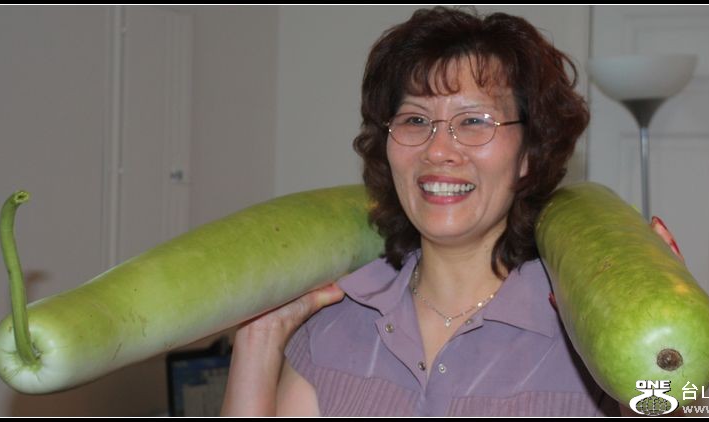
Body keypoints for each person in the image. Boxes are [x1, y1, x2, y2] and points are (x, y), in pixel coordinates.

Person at [221, 6, 684, 416]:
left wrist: (653, 338)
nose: (438, 149)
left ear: (529, 153)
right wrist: (259, 337)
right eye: (415, 119)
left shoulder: (586, 330)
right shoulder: (335, 324)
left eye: (474, 121)